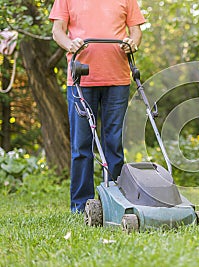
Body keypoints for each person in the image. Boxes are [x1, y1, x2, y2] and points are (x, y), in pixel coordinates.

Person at [49, 0, 146, 213]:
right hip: (80, 80)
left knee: (114, 143)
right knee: (81, 145)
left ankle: (117, 202)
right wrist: (70, 44)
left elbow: (136, 31)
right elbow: (58, 31)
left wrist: (132, 43)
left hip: (118, 79)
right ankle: (81, 205)